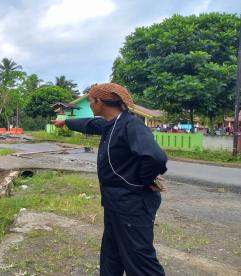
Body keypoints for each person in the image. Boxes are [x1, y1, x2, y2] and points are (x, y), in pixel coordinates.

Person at [52, 83, 167, 276]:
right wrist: (66, 122)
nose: (89, 105)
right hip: (115, 203)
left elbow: (155, 157)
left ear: (99, 101)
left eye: (90, 100)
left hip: (132, 204)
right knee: (111, 256)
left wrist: (143, 180)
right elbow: (89, 124)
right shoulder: (111, 124)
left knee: (139, 260)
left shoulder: (131, 124)